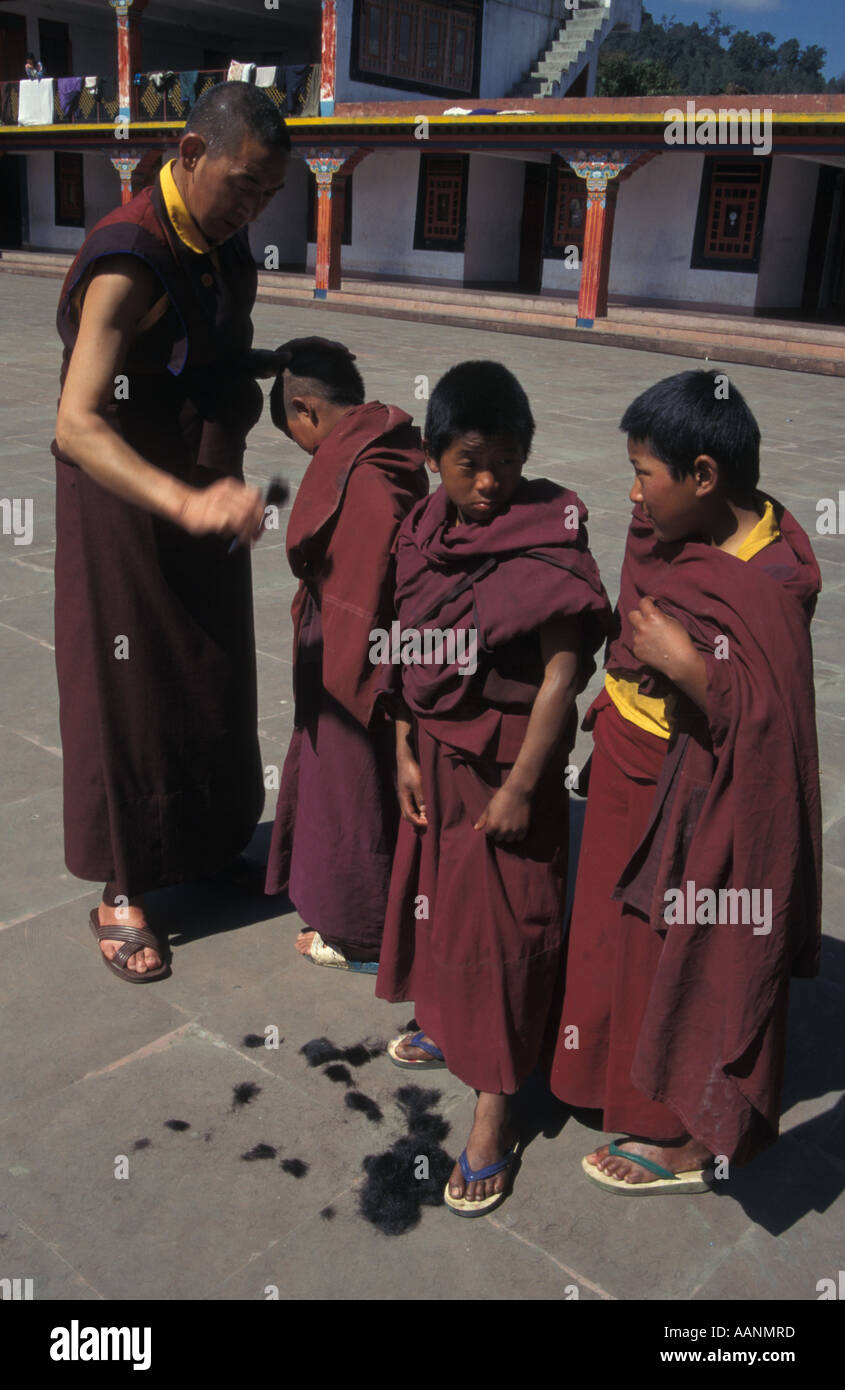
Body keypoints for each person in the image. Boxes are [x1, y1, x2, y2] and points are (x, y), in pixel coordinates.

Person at [547, 369, 822, 1192]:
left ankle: (685, 1132)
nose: (633, 495)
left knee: (688, 949)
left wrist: (688, 669)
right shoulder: (662, 525)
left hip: (699, 784)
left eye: (646, 474)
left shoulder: (772, 575)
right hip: (629, 755)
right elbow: (632, 626)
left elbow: (772, 724)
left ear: (703, 476)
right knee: (614, 937)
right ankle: (607, 1080)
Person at [53, 83, 293, 982]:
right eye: (241, 185)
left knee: (212, 676)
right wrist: (183, 501)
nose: (251, 208)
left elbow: (205, 354)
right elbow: (78, 423)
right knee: (134, 691)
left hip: (205, 486)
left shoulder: (223, 246)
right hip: (126, 507)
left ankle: (199, 848)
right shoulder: (130, 255)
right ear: (189, 152)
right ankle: (122, 887)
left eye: (269, 195)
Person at [375, 360, 611, 1215]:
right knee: (442, 904)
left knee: (509, 929)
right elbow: (406, 636)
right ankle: (449, 1022)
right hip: (434, 752)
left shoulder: (548, 531)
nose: (487, 484)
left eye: (505, 464)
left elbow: (560, 675)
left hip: (509, 764)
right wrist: (403, 745)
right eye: (469, 461)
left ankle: (495, 1105)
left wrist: (520, 785)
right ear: (436, 454)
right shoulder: (425, 526)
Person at [264, 341, 428, 970]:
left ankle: (359, 933)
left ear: (304, 408)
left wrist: (349, 682)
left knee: (354, 786)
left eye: (298, 435)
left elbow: (365, 592)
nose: (306, 452)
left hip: (357, 661)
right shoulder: (385, 443)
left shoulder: (365, 476)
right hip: (358, 643)